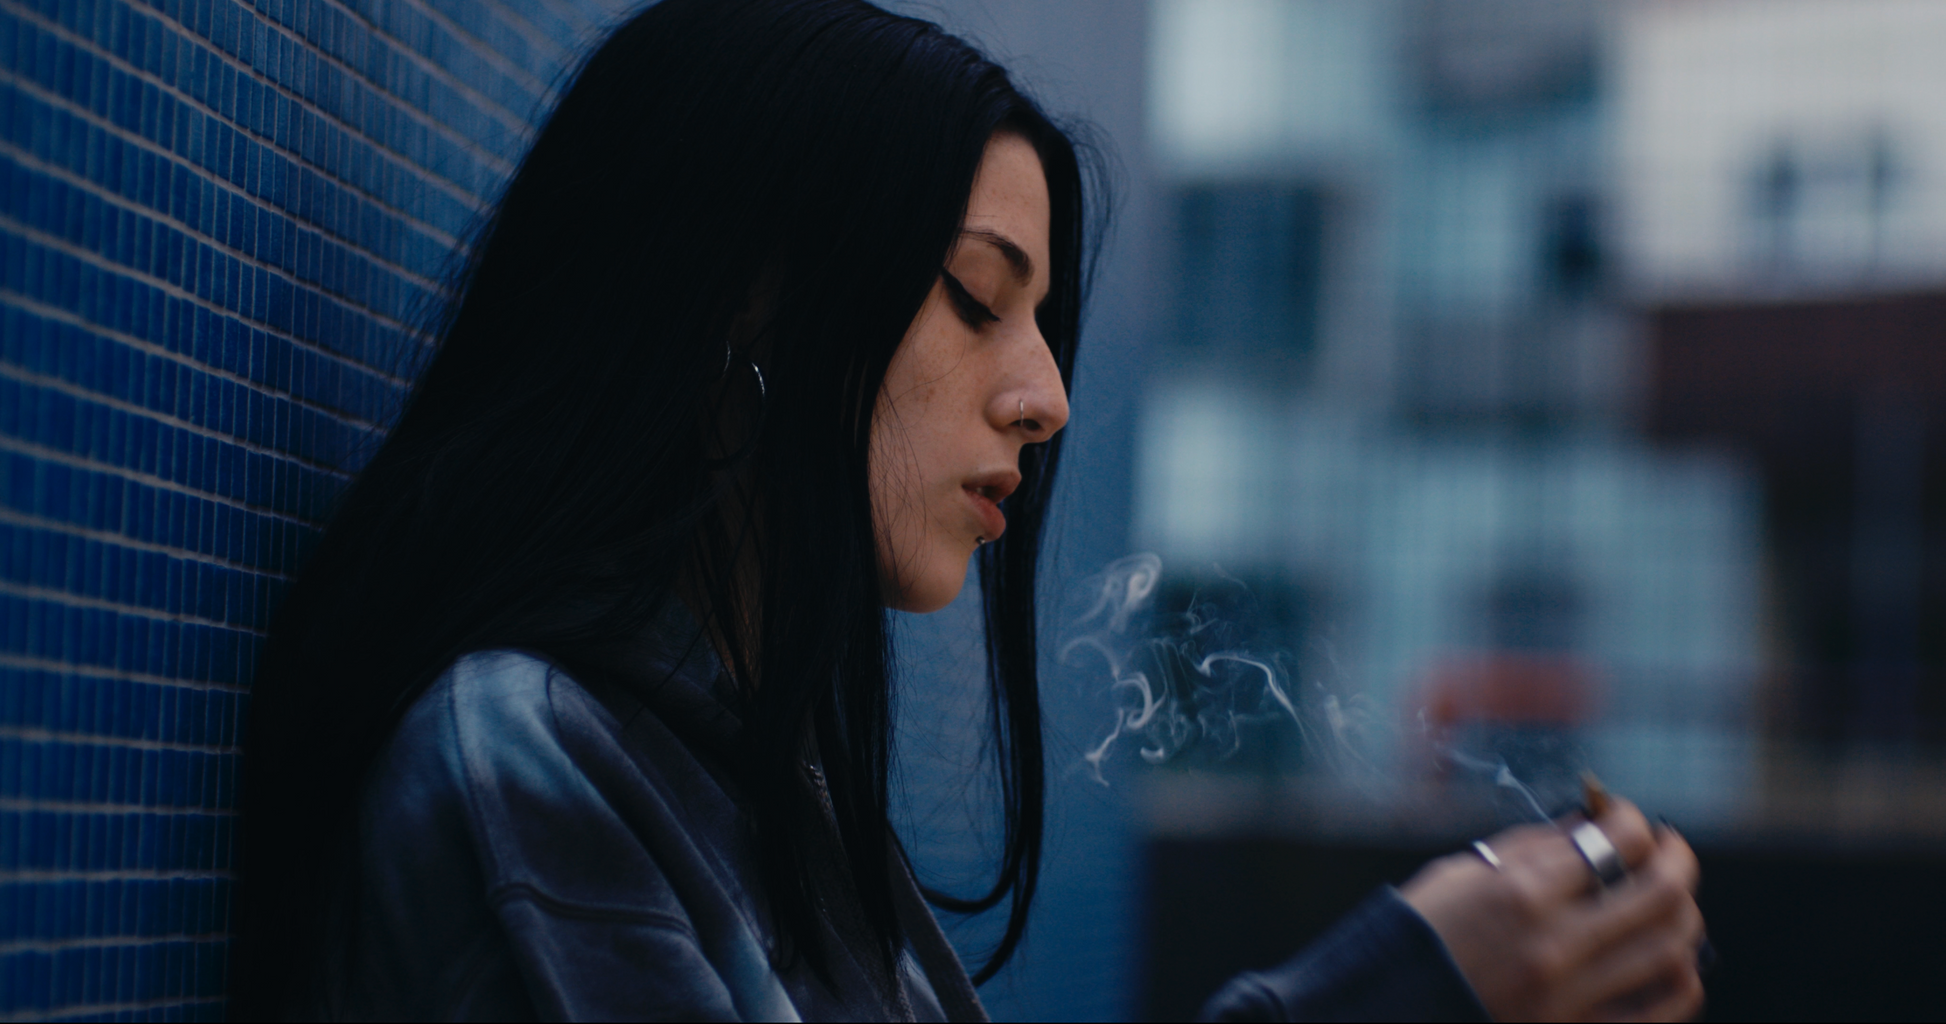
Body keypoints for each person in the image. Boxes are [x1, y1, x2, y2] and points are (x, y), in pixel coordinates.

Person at [228, 0, 1706, 1019]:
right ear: (739, 306)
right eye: (972, 297)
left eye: (1044, 323)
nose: (1046, 397)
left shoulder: (762, 793)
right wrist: (1401, 991)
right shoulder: (520, 759)